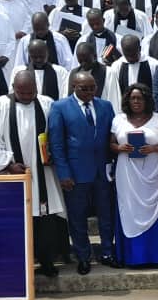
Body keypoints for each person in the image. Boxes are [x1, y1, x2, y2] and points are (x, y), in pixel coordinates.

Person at [0, 70, 68, 277]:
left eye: (30, 93)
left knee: (45, 219)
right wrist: (8, 164)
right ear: (13, 88)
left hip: (44, 174)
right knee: (17, 220)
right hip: (13, 174)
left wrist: (52, 154)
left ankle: (47, 262)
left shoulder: (47, 103)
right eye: (21, 93)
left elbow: (57, 134)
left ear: (36, 89)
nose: (26, 97)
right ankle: (19, 266)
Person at [47, 71, 117, 274]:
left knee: (106, 215)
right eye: (84, 88)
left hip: (102, 172)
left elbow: (112, 137)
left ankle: (107, 252)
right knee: (78, 218)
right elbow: (56, 144)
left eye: (92, 88)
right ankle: (83, 257)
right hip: (75, 174)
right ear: (73, 87)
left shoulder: (105, 106)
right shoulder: (60, 107)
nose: (88, 92)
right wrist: (63, 173)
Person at [110, 83, 158, 267]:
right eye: (133, 98)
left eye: (140, 98)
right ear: (127, 100)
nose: (136, 101)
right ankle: (132, 256)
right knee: (129, 210)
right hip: (127, 175)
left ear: (147, 100)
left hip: (154, 175)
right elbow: (111, 144)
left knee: (155, 210)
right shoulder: (118, 120)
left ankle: (156, 256)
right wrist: (120, 148)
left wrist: (154, 148)